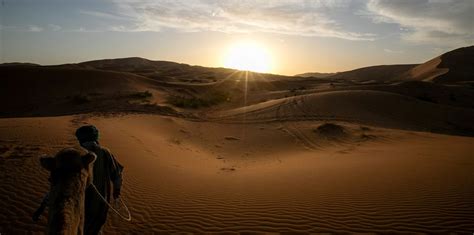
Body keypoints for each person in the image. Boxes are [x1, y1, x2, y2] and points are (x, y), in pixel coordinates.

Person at [75, 125, 124, 235]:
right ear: (96, 137)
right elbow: (116, 174)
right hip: (100, 202)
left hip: (78, 203)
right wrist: (117, 189)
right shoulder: (105, 152)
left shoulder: (76, 154)